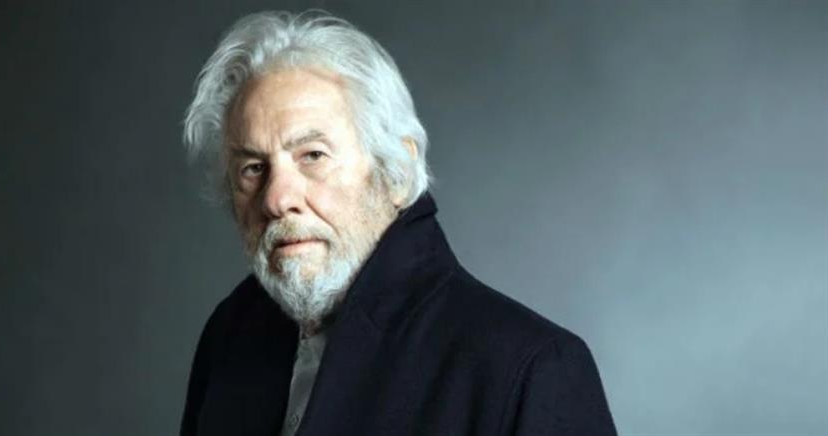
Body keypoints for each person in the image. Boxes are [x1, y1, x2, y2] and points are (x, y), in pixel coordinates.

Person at [179, 10, 617, 436]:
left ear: (397, 173)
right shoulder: (231, 334)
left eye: (313, 155)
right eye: (253, 168)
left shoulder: (532, 367)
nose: (277, 199)